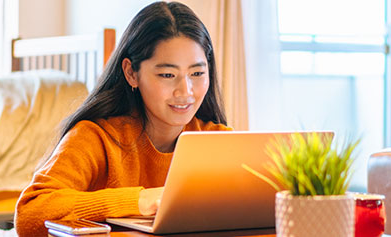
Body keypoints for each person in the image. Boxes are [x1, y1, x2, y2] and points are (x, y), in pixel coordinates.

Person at [14, 1, 232, 236]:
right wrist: (139, 200)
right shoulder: (96, 137)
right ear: (131, 73)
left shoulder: (217, 140)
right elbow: (29, 214)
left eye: (197, 73)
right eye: (168, 74)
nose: (186, 91)